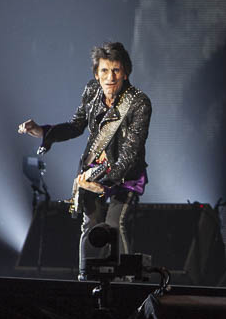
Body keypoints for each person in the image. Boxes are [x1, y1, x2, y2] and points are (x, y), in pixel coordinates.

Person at [18, 42, 152, 280]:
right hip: (93, 172)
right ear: (96, 73)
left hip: (124, 175)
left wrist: (101, 179)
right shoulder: (92, 92)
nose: (110, 77)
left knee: (114, 225)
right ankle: (86, 278)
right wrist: (42, 131)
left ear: (126, 72)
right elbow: (75, 126)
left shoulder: (139, 103)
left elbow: (131, 154)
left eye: (116, 71)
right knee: (90, 225)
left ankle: (129, 283)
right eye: (104, 71)